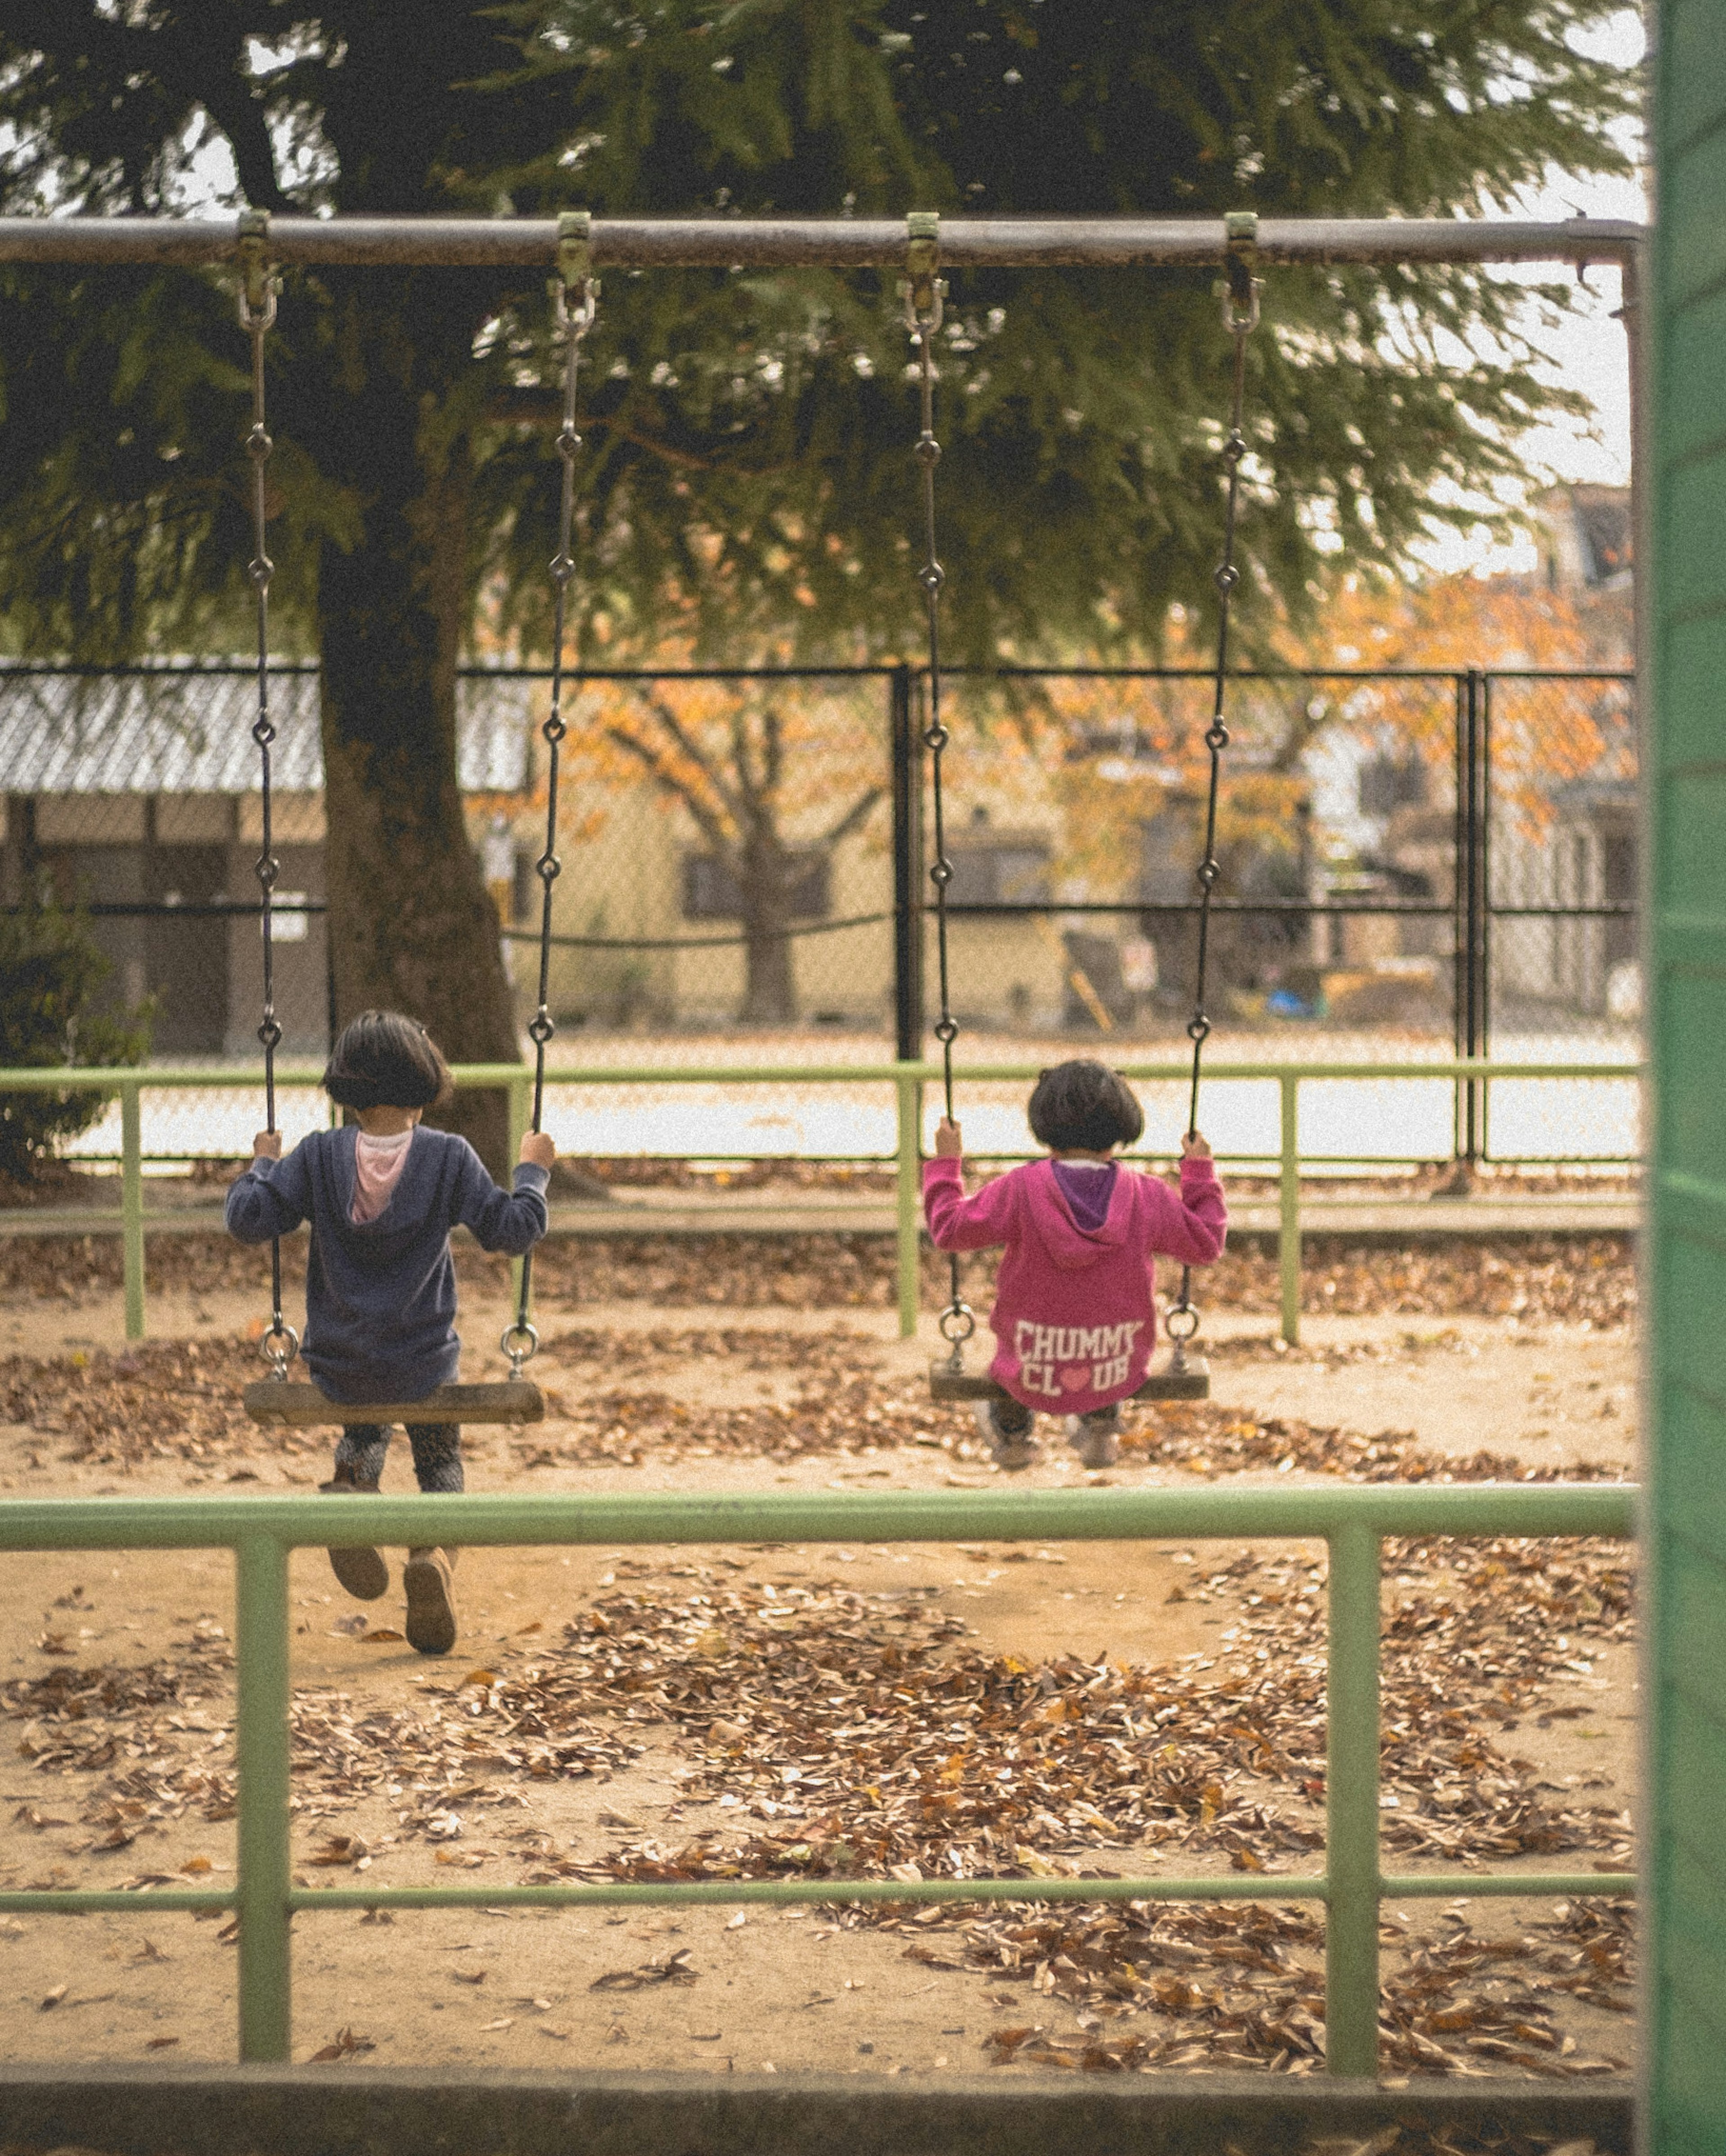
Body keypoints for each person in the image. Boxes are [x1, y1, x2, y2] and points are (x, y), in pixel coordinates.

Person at [226, 1010, 554, 1654]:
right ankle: (432, 1553)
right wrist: (533, 1172)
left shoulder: (317, 1155)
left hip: (341, 1362)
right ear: (423, 1081)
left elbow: (248, 1219)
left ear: (345, 1087)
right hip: (424, 1361)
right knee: (440, 1460)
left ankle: (352, 1487)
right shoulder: (448, 1156)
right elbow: (513, 1230)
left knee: (365, 1424)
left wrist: (263, 1165)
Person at [923, 1059, 1226, 1471]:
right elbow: (1206, 1244)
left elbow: (950, 1230)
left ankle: (1013, 1434)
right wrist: (1199, 1175)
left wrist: (946, 1164)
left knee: (1009, 1375)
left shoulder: (1019, 1189)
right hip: (1116, 1366)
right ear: (1122, 1129)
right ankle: (1102, 1422)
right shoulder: (1147, 1195)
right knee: (1098, 1352)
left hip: (1029, 1367)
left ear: (1044, 1128)